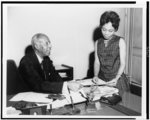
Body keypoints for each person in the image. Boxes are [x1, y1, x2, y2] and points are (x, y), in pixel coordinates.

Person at [92, 11, 130, 92]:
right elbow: (97, 62)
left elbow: (123, 63)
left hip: (116, 79)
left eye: (110, 31)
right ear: (101, 27)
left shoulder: (120, 41)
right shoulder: (97, 42)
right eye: (104, 29)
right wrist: (95, 75)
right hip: (102, 79)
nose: (106, 33)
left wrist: (116, 78)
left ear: (115, 29)